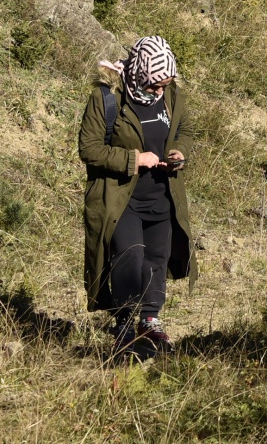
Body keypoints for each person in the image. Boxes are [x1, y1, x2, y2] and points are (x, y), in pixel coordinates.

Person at [81, 36, 197, 361]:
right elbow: (89, 149)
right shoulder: (108, 99)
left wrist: (180, 152)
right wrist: (134, 160)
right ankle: (124, 326)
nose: (159, 91)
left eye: (165, 84)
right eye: (155, 84)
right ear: (140, 74)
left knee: (156, 262)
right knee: (129, 258)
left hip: (163, 198)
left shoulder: (172, 97)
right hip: (122, 200)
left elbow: (185, 131)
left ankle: (149, 322)